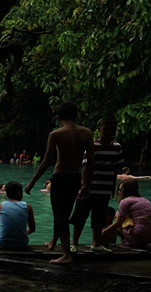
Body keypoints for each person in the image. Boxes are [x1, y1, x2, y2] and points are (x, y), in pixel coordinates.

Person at [25, 101, 95, 264]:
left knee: (60, 215)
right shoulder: (87, 133)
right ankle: (53, 242)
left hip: (60, 177)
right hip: (76, 178)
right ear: (76, 116)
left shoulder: (56, 134)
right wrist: (87, 184)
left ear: (58, 117)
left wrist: (32, 182)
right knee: (64, 213)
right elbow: (91, 161)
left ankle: (66, 255)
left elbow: (46, 161)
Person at [70, 116, 124, 253]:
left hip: (104, 188)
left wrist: (113, 187)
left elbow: (115, 169)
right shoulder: (93, 145)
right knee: (80, 217)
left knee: (99, 218)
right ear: (99, 129)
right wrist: (84, 186)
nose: (109, 132)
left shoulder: (117, 147)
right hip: (88, 188)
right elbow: (85, 167)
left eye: (112, 130)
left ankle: (96, 243)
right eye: (106, 129)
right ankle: (74, 243)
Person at [101, 179, 151, 248]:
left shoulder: (125, 201)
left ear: (126, 191)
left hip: (139, 234)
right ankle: (126, 240)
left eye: (120, 190)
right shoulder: (144, 199)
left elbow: (118, 223)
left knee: (117, 215)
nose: (118, 192)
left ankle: (124, 241)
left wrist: (103, 232)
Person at [0, 181, 35, 249]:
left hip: (3, 243)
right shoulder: (27, 206)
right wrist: (21, 233)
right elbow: (32, 229)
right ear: (19, 193)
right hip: (22, 243)